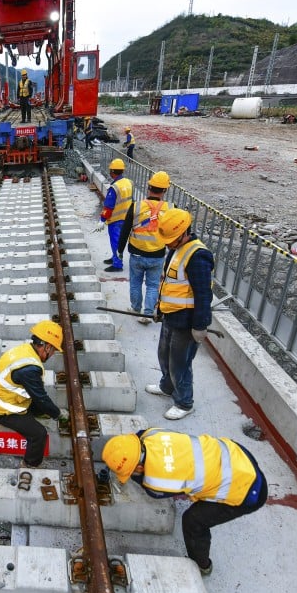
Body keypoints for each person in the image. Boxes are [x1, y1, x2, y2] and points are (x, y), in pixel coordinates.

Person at [101, 429, 267, 576]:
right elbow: (139, 436)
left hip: (248, 491)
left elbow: (155, 493)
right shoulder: (152, 434)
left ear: (138, 467)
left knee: (193, 520)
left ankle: (202, 566)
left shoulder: (155, 481)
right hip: (235, 453)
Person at [145, 208, 213, 420]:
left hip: (186, 322)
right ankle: (167, 385)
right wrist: (159, 309)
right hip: (170, 316)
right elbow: (167, 284)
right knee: (164, 355)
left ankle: (184, 402)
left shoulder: (198, 256)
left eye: (172, 239)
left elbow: (203, 294)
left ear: (185, 233)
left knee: (180, 364)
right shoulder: (177, 250)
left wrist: (200, 325)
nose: (168, 243)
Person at [0, 321, 69, 468]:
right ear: (47, 346)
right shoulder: (29, 369)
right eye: (53, 351)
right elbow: (41, 398)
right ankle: (30, 464)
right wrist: (58, 414)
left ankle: (39, 413)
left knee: (41, 406)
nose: (52, 355)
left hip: (1, 397)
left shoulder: (25, 350)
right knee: (39, 434)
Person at [117, 171, 173, 324]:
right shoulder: (170, 209)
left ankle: (136, 309)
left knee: (135, 283)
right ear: (165, 190)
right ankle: (148, 314)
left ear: (149, 187)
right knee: (153, 285)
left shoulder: (136, 207)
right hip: (157, 255)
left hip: (137, 254)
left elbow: (125, 230)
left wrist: (120, 250)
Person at [100, 158, 134, 273]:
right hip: (127, 218)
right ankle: (114, 257)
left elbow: (108, 206)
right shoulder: (129, 183)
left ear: (112, 171)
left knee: (115, 241)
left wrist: (102, 220)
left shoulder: (114, 187)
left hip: (116, 219)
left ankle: (117, 264)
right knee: (118, 241)